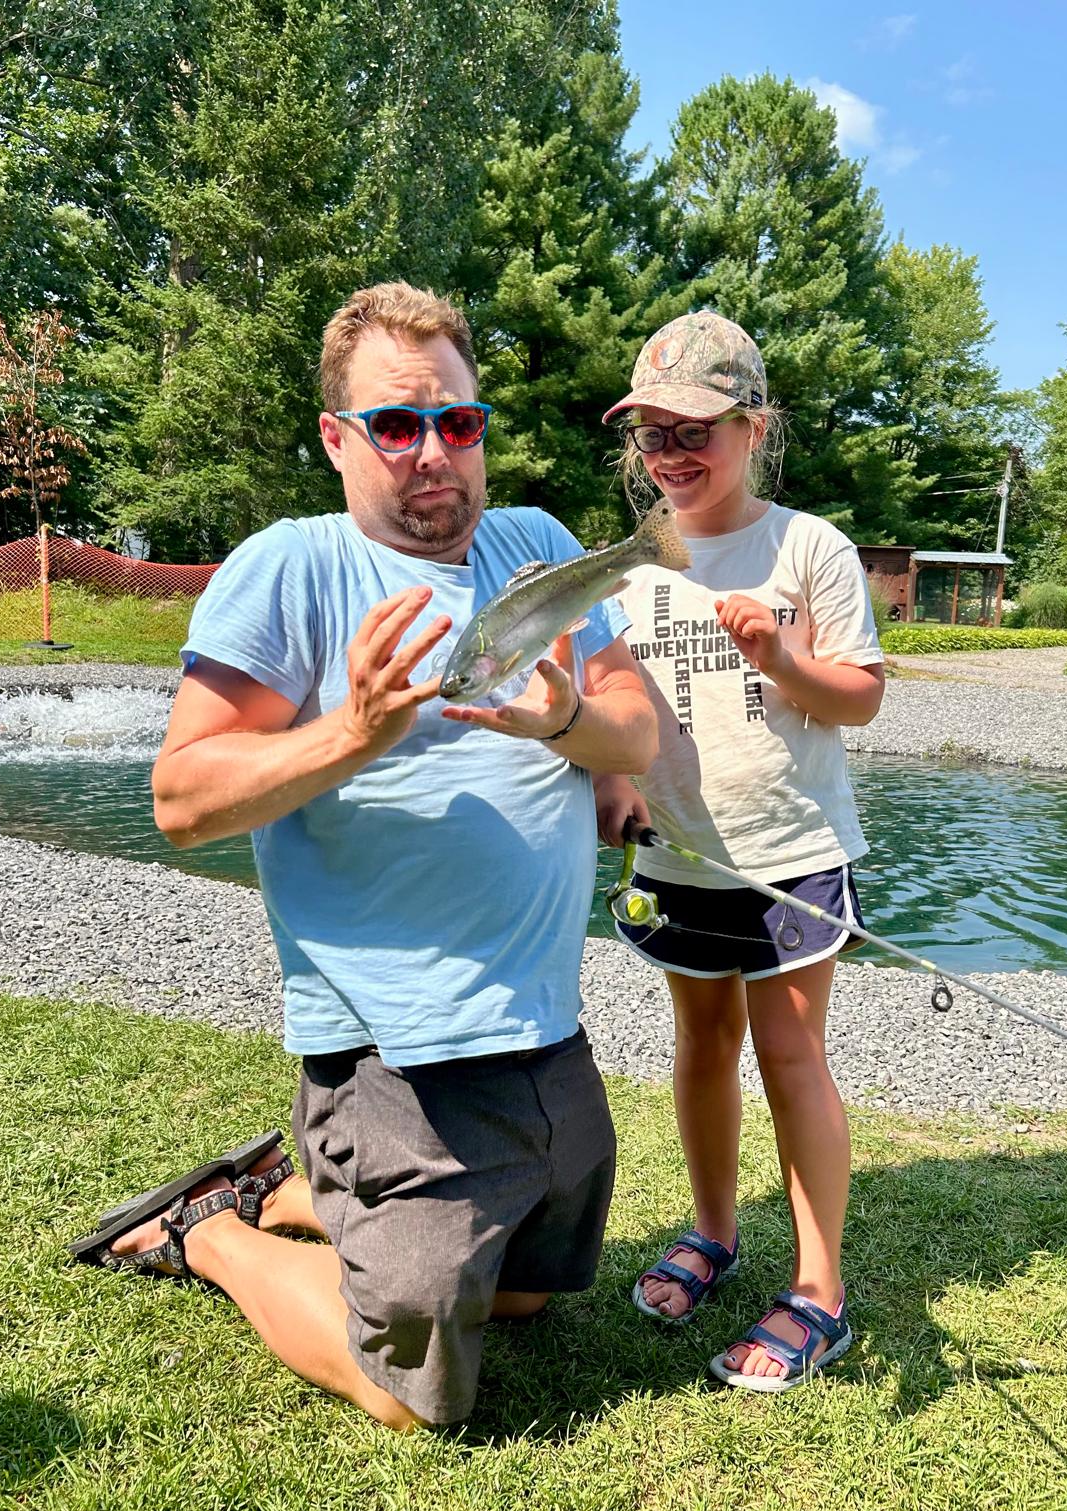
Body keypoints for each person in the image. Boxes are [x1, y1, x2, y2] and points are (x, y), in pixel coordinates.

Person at [69, 281, 658, 1431]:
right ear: (338, 439)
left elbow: (636, 731)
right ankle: (214, 1232)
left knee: (528, 1297)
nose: (433, 451)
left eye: (458, 421)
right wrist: (352, 731)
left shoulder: (538, 547)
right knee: (409, 1395)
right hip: (395, 1054)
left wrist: (568, 727)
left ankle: (303, 1195)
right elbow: (181, 801)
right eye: (396, 423)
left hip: (543, 1029)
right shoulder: (289, 568)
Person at [593, 310, 885, 1392]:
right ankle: (713, 1232)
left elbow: (859, 697)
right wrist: (611, 778)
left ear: (753, 429)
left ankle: (819, 1292)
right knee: (701, 1045)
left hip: (791, 853)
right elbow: (605, 701)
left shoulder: (809, 548)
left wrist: (783, 659)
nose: (672, 453)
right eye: (653, 433)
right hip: (676, 858)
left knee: (791, 1056)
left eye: (696, 429)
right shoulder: (627, 567)